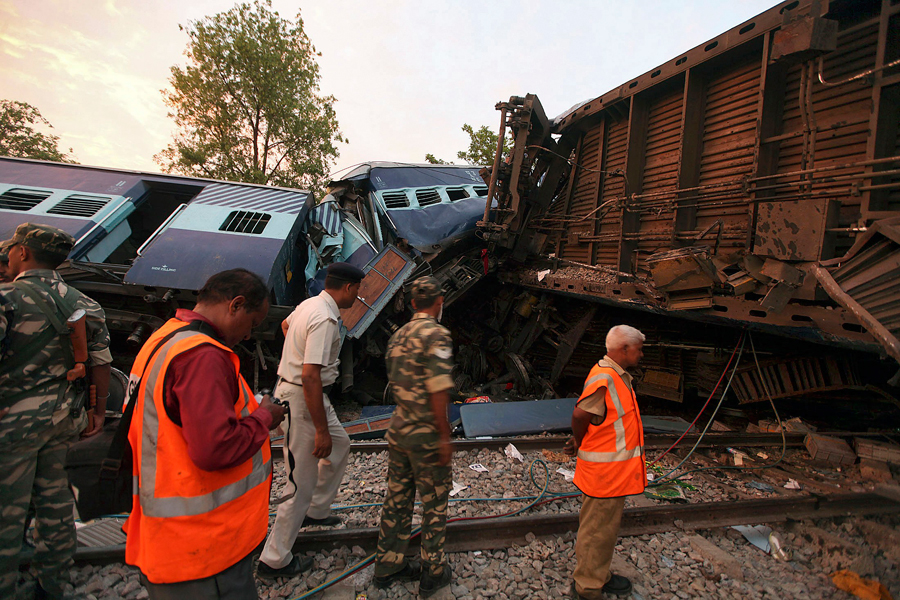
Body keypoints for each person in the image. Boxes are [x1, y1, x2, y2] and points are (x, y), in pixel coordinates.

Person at [123, 268, 286, 600]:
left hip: (171, 535)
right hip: (203, 545)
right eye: (252, 324)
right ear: (235, 305)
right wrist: (264, 417)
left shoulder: (167, 337)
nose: (247, 335)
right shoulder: (203, 357)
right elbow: (215, 449)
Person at [0, 223, 113, 600]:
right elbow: (101, 363)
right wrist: (96, 413)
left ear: (23, 253)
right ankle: (53, 583)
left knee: (7, 510)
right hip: (63, 418)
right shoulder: (85, 303)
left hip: (12, 423)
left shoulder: (8, 298)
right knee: (55, 501)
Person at [257, 262, 364, 579]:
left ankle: (316, 511)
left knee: (340, 445)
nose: (357, 296)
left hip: (308, 394)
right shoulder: (326, 318)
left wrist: (294, 353)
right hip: (303, 397)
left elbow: (286, 327)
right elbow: (310, 376)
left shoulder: (309, 304)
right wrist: (320, 430)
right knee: (299, 481)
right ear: (347, 288)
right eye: (357, 290)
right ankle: (274, 559)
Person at [373, 276, 454, 598]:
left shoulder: (398, 336)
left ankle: (387, 566)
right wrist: (444, 437)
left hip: (399, 428)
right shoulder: (437, 335)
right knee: (434, 503)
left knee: (398, 498)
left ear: (411, 305)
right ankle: (432, 571)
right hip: (425, 435)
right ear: (438, 302)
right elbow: (438, 390)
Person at [565, 325, 646, 599]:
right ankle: (588, 588)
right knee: (597, 530)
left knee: (604, 529)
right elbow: (579, 415)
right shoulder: (606, 377)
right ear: (624, 349)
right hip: (605, 473)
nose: (641, 354)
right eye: (638, 348)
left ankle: (599, 574)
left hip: (613, 471)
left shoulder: (614, 374)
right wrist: (578, 441)